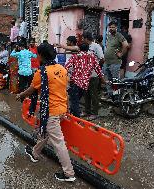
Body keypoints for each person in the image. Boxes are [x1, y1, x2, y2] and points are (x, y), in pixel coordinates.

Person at [16, 42, 76, 182]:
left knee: (58, 142)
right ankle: (35, 153)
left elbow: (31, 90)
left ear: (41, 56)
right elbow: (65, 89)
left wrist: (20, 95)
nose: (37, 56)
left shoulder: (41, 72)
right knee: (46, 132)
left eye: (37, 54)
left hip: (51, 112)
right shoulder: (62, 69)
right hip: (62, 109)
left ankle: (69, 173)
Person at [65, 43, 106, 118]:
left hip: (76, 82)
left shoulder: (75, 56)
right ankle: (81, 114)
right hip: (85, 83)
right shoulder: (92, 57)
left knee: (75, 101)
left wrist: (67, 77)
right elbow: (98, 70)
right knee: (87, 97)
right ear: (88, 49)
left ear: (79, 49)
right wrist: (103, 80)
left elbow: (66, 67)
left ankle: (76, 118)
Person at [83, 32, 105, 120]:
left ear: (86, 38)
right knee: (86, 93)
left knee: (93, 94)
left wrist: (96, 67)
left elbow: (102, 59)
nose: (83, 40)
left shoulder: (96, 46)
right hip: (86, 75)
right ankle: (86, 111)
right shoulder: (85, 47)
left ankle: (95, 113)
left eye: (84, 38)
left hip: (94, 75)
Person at [104, 21, 128, 96]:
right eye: (110, 27)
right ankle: (110, 94)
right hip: (107, 62)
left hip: (115, 62)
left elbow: (126, 45)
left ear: (116, 28)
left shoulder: (119, 35)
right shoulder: (109, 36)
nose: (111, 28)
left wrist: (121, 54)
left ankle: (116, 96)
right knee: (108, 79)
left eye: (113, 27)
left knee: (115, 80)